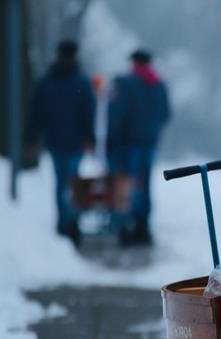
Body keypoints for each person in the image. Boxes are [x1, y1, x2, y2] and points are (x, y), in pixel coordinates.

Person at [27, 40, 95, 245]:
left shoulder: (47, 81)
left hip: (55, 140)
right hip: (76, 142)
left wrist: (31, 137)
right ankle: (73, 223)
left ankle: (62, 224)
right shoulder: (81, 82)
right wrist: (89, 138)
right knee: (73, 183)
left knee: (59, 183)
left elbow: (35, 112)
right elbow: (88, 113)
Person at [107, 49, 172, 245]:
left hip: (129, 143)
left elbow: (117, 114)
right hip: (149, 143)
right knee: (144, 183)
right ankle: (143, 226)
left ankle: (128, 226)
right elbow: (166, 114)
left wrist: (113, 138)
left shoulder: (126, 84)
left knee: (129, 184)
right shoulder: (158, 84)